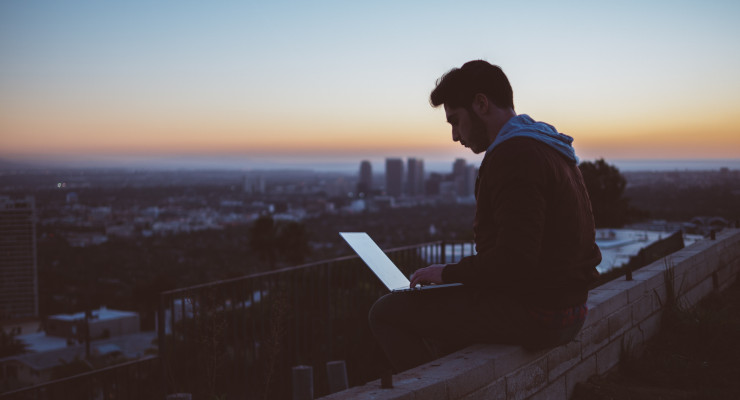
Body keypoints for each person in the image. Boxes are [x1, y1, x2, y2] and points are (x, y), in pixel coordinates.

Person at [368, 60, 602, 373]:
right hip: (569, 307)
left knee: (386, 312)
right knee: (443, 317)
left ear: (481, 104)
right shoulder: (548, 146)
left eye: (455, 121)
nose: (454, 136)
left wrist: (448, 274)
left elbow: (515, 260)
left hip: (540, 313)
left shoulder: (514, 155)